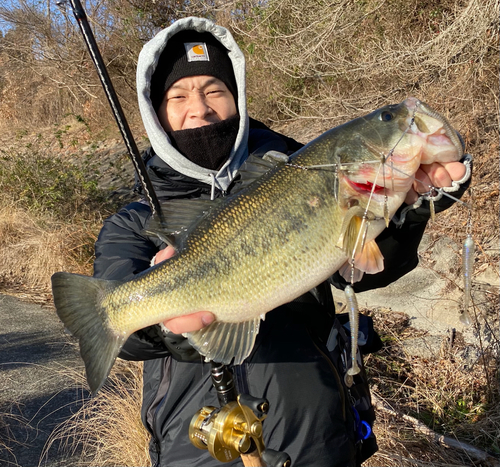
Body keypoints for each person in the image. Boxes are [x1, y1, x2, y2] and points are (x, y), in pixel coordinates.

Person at [93, 17, 472, 467]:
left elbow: (368, 271)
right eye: (178, 96)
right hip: (195, 445)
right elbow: (129, 335)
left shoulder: (304, 170)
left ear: (237, 99)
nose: (200, 108)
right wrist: (169, 329)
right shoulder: (134, 222)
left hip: (317, 430)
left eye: (215, 90)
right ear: (155, 114)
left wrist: (408, 215)